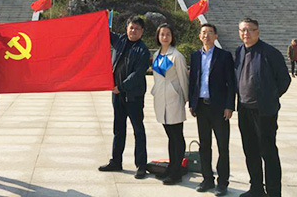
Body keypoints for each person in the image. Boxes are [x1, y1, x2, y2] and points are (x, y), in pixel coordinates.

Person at [234, 18, 291, 197]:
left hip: (264, 111)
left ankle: (273, 192)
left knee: (268, 152)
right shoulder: (239, 51)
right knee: (250, 150)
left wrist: (270, 98)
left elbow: (284, 80)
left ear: (257, 32)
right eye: (243, 30)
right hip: (244, 109)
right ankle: (256, 188)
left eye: (250, 30)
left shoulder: (270, 53)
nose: (246, 33)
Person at [99, 17, 150, 179]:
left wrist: (120, 87)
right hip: (117, 96)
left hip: (133, 96)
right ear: (126, 28)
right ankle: (116, 161)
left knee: (138, 130)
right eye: (131, 27)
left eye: (137, 28)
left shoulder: (143, 50)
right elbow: (103, 32)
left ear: (142, 32)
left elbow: (137, 75)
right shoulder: (120, 40)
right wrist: (100, 18)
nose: (133, 31)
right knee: (118, 129)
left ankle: (141, 165)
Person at [188, 23, 235, 196]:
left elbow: (231, 83)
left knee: (223, 146)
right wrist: (192, 104)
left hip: (219, 108)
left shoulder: (224, 56)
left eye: (209, 32)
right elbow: (193, 82)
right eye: (203, 33)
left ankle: (222, 182)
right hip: (201, 107)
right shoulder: (195, 56)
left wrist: (229, 106)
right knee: (204, 145)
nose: (206, 35)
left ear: (216, 36)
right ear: (199, 36)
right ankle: (207, 179)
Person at [151, 24, 189, 186]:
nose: (165, 37)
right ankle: (171, 167)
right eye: (162, 34)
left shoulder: (177, 56)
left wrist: (185, 99)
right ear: (158, 36)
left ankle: (176, 172)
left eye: (168, 34)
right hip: (160, 99)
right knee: (170, 136)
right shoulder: (156, 54)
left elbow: (183, 79)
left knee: (177, 136)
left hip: (174, 100)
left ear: (172, 37)